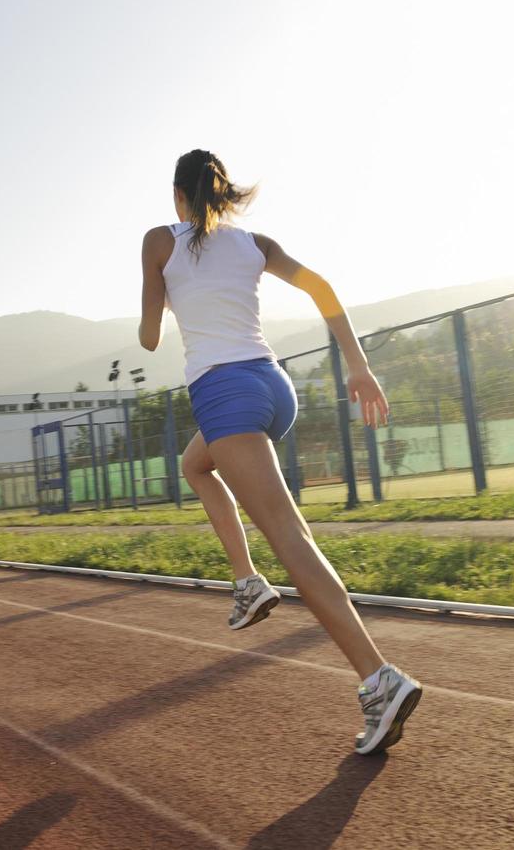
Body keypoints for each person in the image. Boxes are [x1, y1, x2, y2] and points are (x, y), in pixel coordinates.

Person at [138, 149, 422, 755]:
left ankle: (379, 679)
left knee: (292, 542)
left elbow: (148, 336)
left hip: (223, 391)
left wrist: (163, 297)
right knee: (195, 464)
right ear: (223, 193)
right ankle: (246, 582)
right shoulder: (256, 243)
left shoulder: (159, 241)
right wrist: (360, 368)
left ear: (177, 196)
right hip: (272, 386)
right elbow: (320, 287)